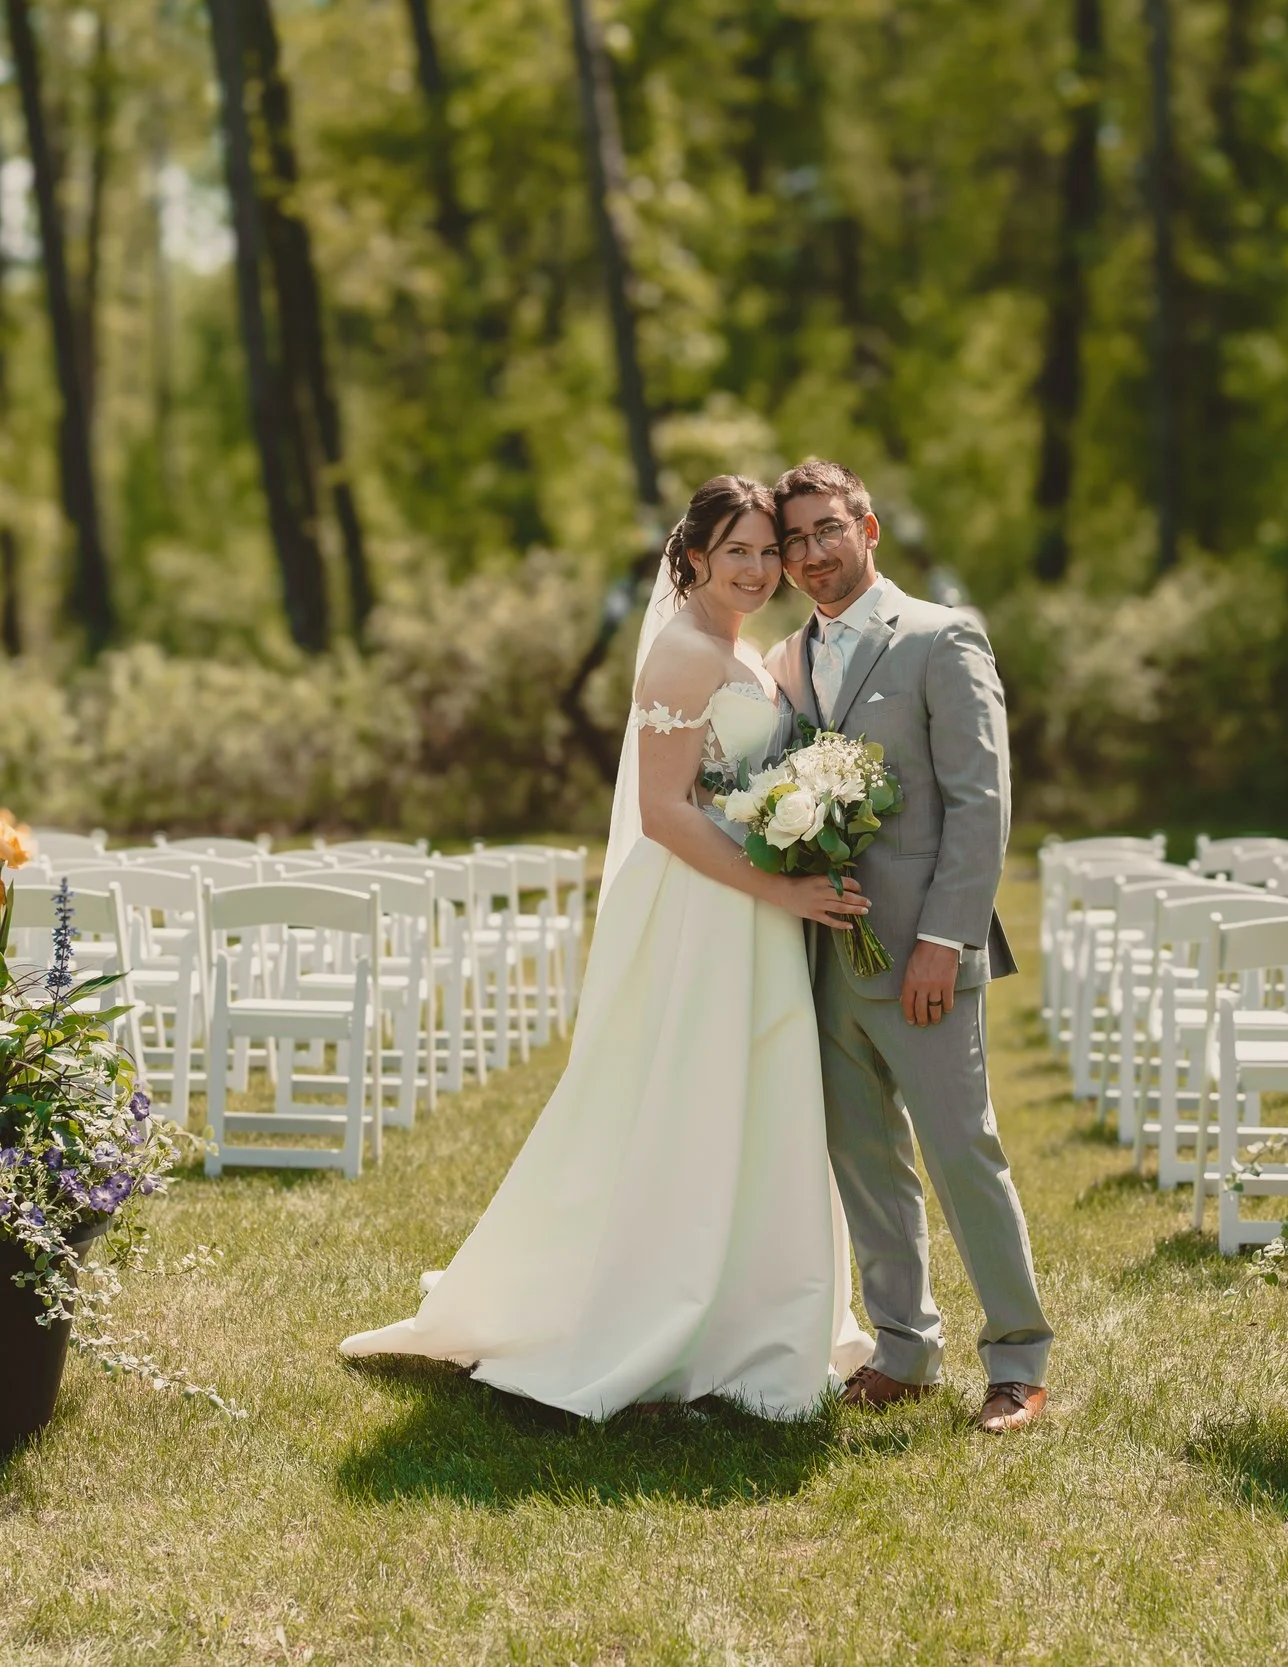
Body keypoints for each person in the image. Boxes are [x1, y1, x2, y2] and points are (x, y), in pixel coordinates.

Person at [337, 476, 875, 1418]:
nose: (757, 569)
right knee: (688, 1096)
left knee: (753, 1097)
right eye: (736, 551)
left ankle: (751, 1311)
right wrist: (780, 883)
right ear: (695, 556)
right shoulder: (680, 652)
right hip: (703, 906)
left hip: (748, 902)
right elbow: (667, 813)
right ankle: (660, 1310)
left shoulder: (738, 648)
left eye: (766, 551)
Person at [765, 457, 1053, 1435]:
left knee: (961, 1150)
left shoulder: (941, 635)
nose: (810, 553)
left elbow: (982, 802)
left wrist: (943, 939)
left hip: (924, 953)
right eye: (793, 539)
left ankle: (1017, 1361)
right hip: (826, 955)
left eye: (825, 531)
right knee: (864, 1158)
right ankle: (903, 1348)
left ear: (868, 528)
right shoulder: (788, 659)